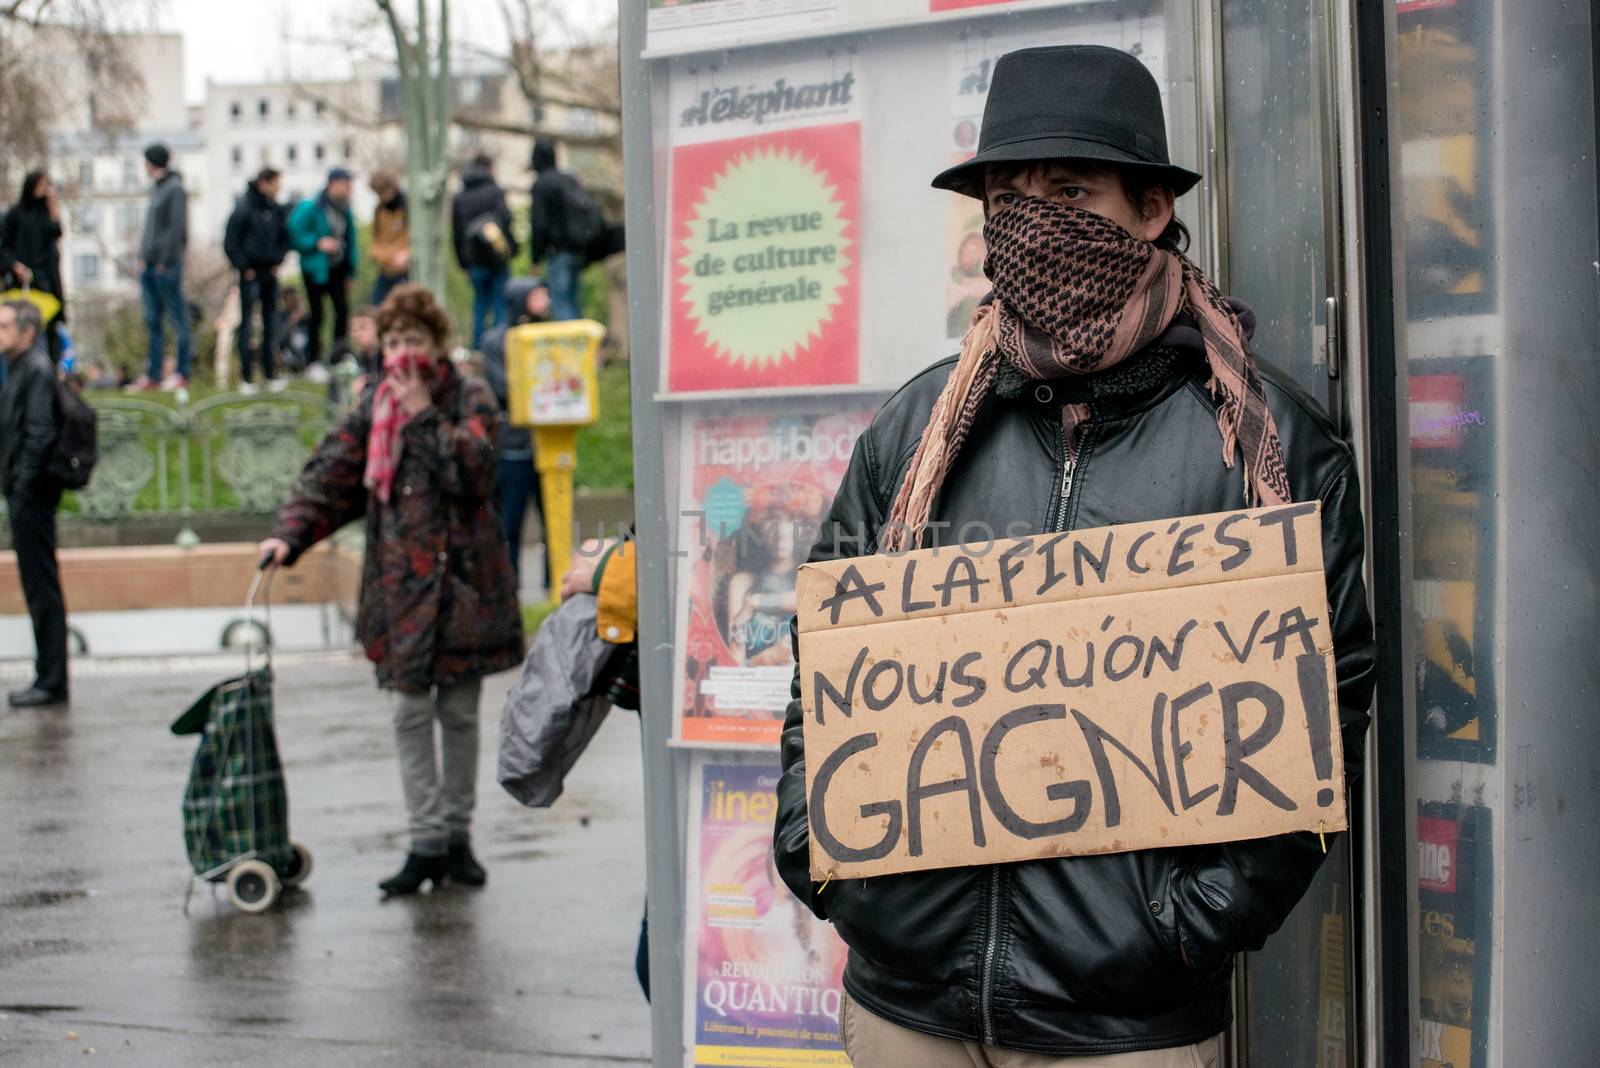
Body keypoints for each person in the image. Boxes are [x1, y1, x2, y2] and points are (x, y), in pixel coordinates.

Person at [771, 46, 1375, 1066]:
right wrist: (826, 865)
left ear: (1149, 210)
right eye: (1008, 197)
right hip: (902, 1005)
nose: (1034, 219)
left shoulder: (1268, 441)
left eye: (1069, 190)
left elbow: (1331, 700)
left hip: (1124, 1024)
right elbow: (821, 665)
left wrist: (1190, 924)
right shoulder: (917, 429)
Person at [258, 284, 523, 895]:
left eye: (415, 341)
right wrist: (288, 535)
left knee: (457, 712)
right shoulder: (375, 404)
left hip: (464, 588)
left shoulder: (470, 395)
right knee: (408, 713)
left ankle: (458, 838)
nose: (403, 354)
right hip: (401, 589)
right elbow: (331, 475)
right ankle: (424, 840)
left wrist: (426, 414)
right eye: (394, 341)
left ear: (437, 343)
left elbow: (479, 470)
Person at [0, 300, 68, 708]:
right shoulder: (19, 369)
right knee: (37, 585)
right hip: (24, 492)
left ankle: (51, 680)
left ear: (27, 332)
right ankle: (48, 675)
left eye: (4, 326)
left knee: (42, 587)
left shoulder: (36, 370)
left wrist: (23, 486)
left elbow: (40, 433)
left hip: (34, 495)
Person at [478, 277, 551, 581]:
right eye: (538, 295)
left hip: (550, 442)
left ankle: (556, 584)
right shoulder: (496, 342)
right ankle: (512, 587)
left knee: (556, 521)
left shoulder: (551, 336)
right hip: (513, 447)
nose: (545, 301)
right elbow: (502, 387)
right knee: (511, 523)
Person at [127, 143, 192, 391]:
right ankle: (153, 375)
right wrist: (145, 257)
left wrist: (165, 261)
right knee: (153, 321)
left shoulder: (174, 189)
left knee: (177, 319)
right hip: (151, 265)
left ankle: (181, 372)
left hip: (166, 266)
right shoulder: (157, 189)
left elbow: (176, 229)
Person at [223, 167, 291, 394]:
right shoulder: (244, 209)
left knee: (270, 323)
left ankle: (270, 373)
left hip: (269, 273)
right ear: (264, 183)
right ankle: (246, 377)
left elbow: (284, 238)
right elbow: (231, 243)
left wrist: (278, 260)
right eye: (275, 183)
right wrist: (244, 266)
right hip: (250, 274)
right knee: (247, 325)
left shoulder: (275, 210)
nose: (278, 188)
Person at [289, 167, 360, 381]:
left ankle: (339, 358)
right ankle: (314, 361)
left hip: (338, 269)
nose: (349, 189)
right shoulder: (311, 206)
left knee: (342, 312)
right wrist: (317, 243)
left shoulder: (344, 209)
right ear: (333, 183)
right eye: (345, 184)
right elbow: (294, 231)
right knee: (317, 314)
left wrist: (351, 271)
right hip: (315, 269)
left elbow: (351, 240)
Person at [529, 138, 600, 321]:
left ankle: (571, 347)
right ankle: (580, 346)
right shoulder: (570, 180)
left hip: (558, 251)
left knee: (561, 303)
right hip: (578, 249)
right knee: (573, 302)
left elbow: (539, 224)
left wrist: (535, 257)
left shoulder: (542, 184)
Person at [451, 153, 518, 347]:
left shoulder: (460, 197)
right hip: (497, 257)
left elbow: (456, 234)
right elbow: (506, 219)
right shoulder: (495, 191)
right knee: (500, 303)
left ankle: (479, 347)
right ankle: (499, 346)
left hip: (474, 261)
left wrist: (463, 263)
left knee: (480, 304)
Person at [0, 171, 66, 363]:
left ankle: (51, 370)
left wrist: (54, 207)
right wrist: (15, 266)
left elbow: (56, 232)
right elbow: (4, 247)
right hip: (22, 279)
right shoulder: (15, 214)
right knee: (18, 324)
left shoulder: (46, 213)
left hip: (45, 278)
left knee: (49, 325)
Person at [368, 170, 411, 306]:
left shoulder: (408, 207)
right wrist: (378, 254)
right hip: (386, 269)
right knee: (377, 307)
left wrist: (408, 254)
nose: (380, 197)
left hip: (405, 271)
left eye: (382, 193)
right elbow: (375, 240)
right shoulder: (379, 210)